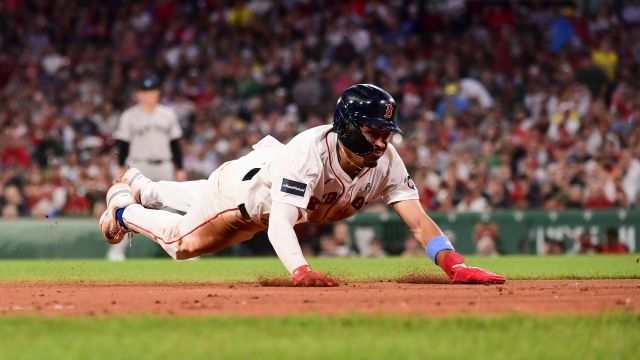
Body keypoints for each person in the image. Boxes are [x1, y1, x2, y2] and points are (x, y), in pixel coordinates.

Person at [99, 84, 506, 286]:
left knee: (200, 191)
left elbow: (418, 221)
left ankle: (142, 186)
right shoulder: (310, 153)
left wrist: (455, 265)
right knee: (182, 245)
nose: (383, 142)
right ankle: (123, 209)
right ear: (348, 128)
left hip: (261, 169)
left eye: (387, 133)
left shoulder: (385, 161)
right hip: (242, 200)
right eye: (374, 132)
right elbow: (279, 224)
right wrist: (301, 270)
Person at [107, 74, 186, 261]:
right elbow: (123, 144)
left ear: (157, 93)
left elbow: (175, 144)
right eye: (145, 92)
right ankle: (117, 251)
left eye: (152, 91)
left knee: (171, 207)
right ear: (139, 94)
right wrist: (120, 167)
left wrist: (180, 168)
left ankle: (183, 248)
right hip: (139, 166)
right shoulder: (129, 116)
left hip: (164, 165)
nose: (149, 95)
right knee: (129, 206)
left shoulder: (168, 114)